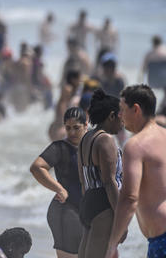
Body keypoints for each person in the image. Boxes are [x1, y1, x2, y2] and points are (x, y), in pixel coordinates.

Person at [106, 85, 166, 258]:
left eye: (123, 109)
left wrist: (112, 244)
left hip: (161, 239)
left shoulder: (135, 145)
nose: (120, 115)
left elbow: (129, 199)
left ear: (136, 109)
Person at [30, 107, 88, 258]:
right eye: (68, 128)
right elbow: (37, 167)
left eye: (77, 128)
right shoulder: (60, 147)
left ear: (86, 125)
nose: (72, 132)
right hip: (65, 212)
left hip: (85, 212)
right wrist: (59, 188)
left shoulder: (92, 146)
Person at [77, 89, 123, 258]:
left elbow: (83, 179)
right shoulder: (106, 140)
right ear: (111, 116)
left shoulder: (85, 138)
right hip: (104, 205)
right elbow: (110, 182)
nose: (123, 121)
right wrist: (121, 220)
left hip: (88, 202)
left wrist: (88, 205)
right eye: (121, 116)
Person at [48, 70, 81, 141]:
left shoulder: (73, 91)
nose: (80, 81)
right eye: (78, 79)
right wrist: (63, 125)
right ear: (73, 79)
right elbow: (62, 105)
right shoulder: (68, 89)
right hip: (59, 127)